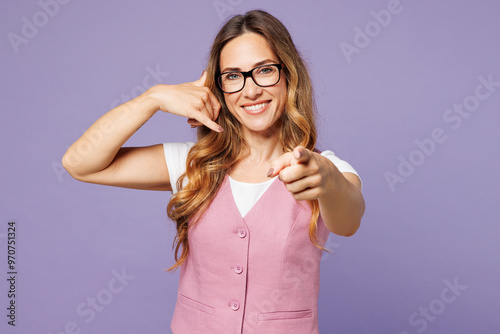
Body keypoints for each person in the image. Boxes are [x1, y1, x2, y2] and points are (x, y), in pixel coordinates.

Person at [62, 9, 365, 334]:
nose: (250, 91)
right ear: (219, 87)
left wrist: (327, 178)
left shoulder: (322, 169)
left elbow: (348, 220)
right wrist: (152, 99)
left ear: (288, 75)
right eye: (233, 76)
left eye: (264, 70)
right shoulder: (193, 164)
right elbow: (79, 163)